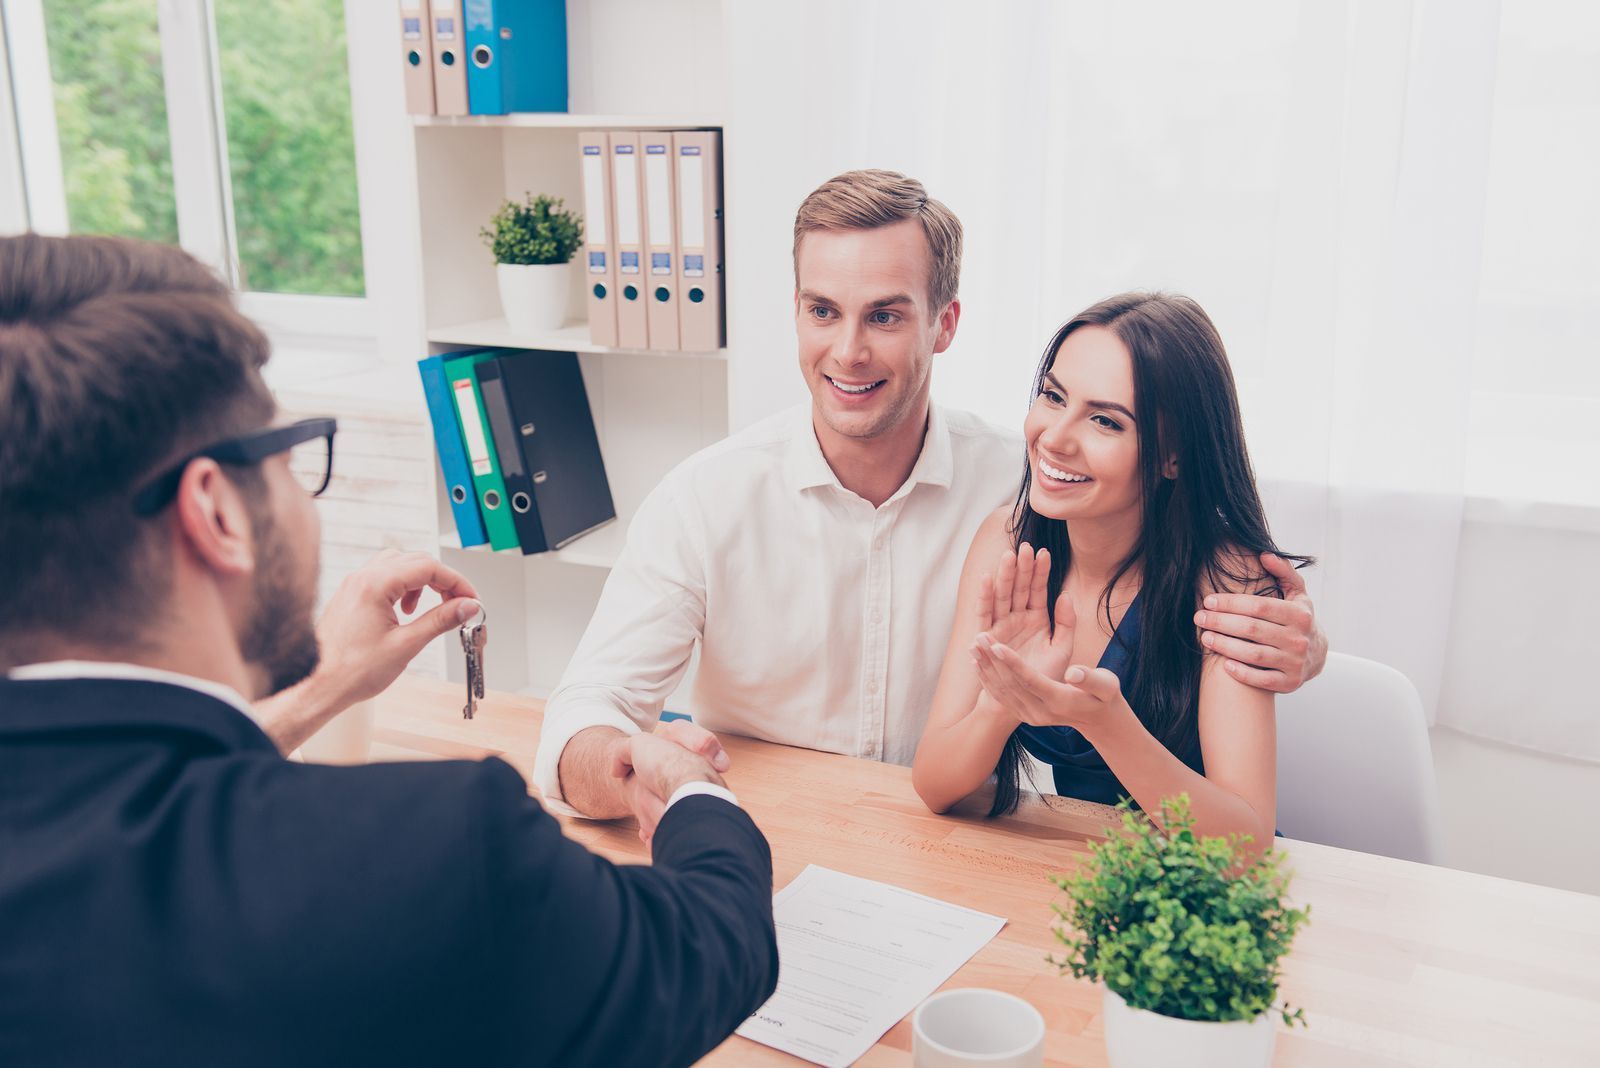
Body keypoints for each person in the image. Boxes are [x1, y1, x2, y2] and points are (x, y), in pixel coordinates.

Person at [0, 233, 777, 1067]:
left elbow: (117, 810)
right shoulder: (437, 851)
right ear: (217, 512)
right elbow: (705, 948)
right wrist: (698, 796)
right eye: (287, 455)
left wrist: (323, 687)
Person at [535, 170, 1327, 831]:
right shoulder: (708, 499)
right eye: (823, 311)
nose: (848, 351)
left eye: (884, 314)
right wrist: (636, 763)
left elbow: (1196, 583)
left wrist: (1307, 653)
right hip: (787, 829)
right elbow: (587, 707)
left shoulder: (1025, 491)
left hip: (987, 858)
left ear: (944, 324)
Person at [913, 292, 1305, 850]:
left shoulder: (1226, 581)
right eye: (1053, 396)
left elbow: (1246, 848)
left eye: (1104, 421)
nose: (1054, 437)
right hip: (1074, 868)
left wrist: (1108, 725)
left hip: (1192, 891)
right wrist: (999, 705)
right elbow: (934, 784)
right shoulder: (1008, 539)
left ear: (1173, 456)